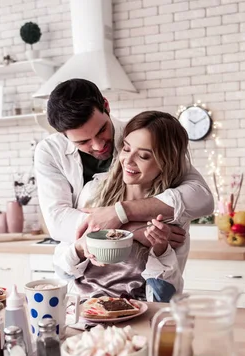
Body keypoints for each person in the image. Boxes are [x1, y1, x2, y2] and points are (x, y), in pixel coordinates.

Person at [34, 79, 214, 249]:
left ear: (106, 105)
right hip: (80, 268)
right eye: (83, 142)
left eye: (101, 130)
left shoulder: (139, 135)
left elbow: (202, 198)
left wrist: (120, 212)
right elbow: (57, 223)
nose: (98, 146)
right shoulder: (50, 151)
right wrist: (133, 231)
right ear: (63, 135)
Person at [53, 111, 191, 301]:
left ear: (165, 163)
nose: (128, 160)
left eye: (143, 156)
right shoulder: (94, 191)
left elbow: (166, 297)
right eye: (126, 149)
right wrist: (79, 247)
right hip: (83, 312)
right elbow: (61, 273)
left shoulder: (171, 217)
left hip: (136, 318)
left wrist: (160, 249)